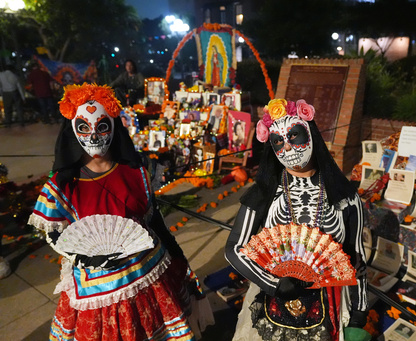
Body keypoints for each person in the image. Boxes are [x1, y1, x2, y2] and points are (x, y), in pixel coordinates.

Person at [28, 83, 214, 340]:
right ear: (72, 130)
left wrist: (179, 259)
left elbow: (153, 220)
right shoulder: (62, 184)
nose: (93, 136)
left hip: (148, 273)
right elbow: (55, 233)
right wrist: (84, 257)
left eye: (101, 126)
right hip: (98, 289)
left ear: (114, 127)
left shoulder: (137, 171)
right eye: (84, 127)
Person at [225, 99, 370, 341]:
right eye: (278, 142)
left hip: (331, 305)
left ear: (311, 135)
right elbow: (234, 249)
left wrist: (360, 309)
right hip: (274, 303)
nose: (289, 149)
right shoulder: (264, 193)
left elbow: (357, 255)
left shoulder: (345, 196)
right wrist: (273, 284)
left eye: (294, 136)